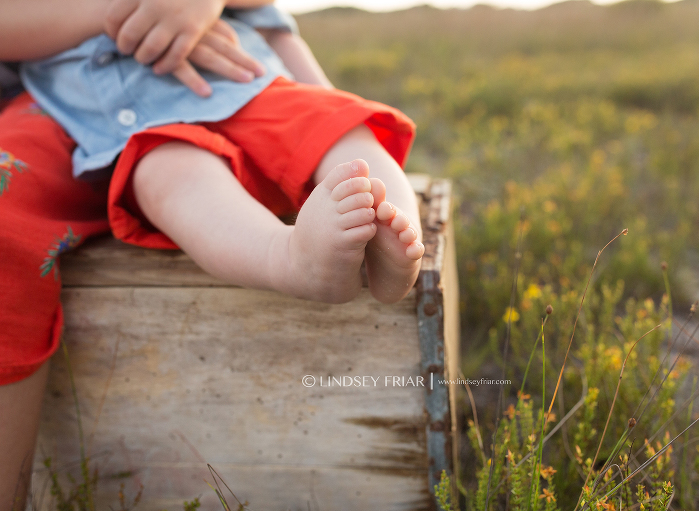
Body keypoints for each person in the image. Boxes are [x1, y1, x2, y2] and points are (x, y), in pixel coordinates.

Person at [0, 0, 423, 508]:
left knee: (343, 133)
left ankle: (395, 241)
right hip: (118, 124)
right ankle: (289, 257)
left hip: (243, 85)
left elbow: (276, 25)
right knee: (168, 173)